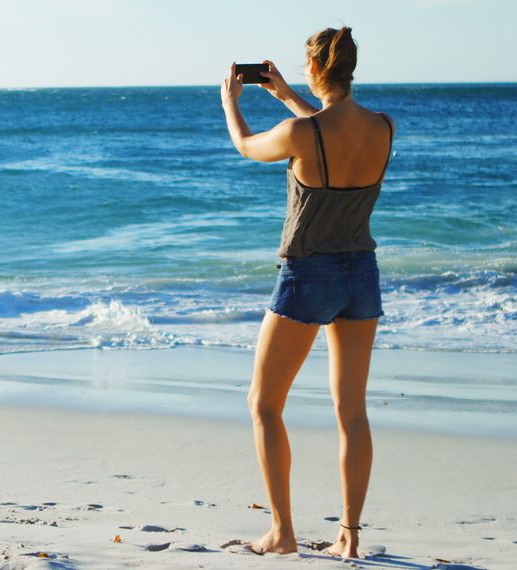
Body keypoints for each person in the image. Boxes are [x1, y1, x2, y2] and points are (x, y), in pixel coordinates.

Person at [219, 27, 395, 559]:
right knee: (352, 413)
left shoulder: (300, 133)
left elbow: (249, 146)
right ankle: (350, 536)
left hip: (308, 276)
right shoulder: (384, 127)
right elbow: (329, 127)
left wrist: (232, 103)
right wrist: (285, 95)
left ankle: (282, 531)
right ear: (350, 68)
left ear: (315, 69)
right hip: (361, 273)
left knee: (264, 404)